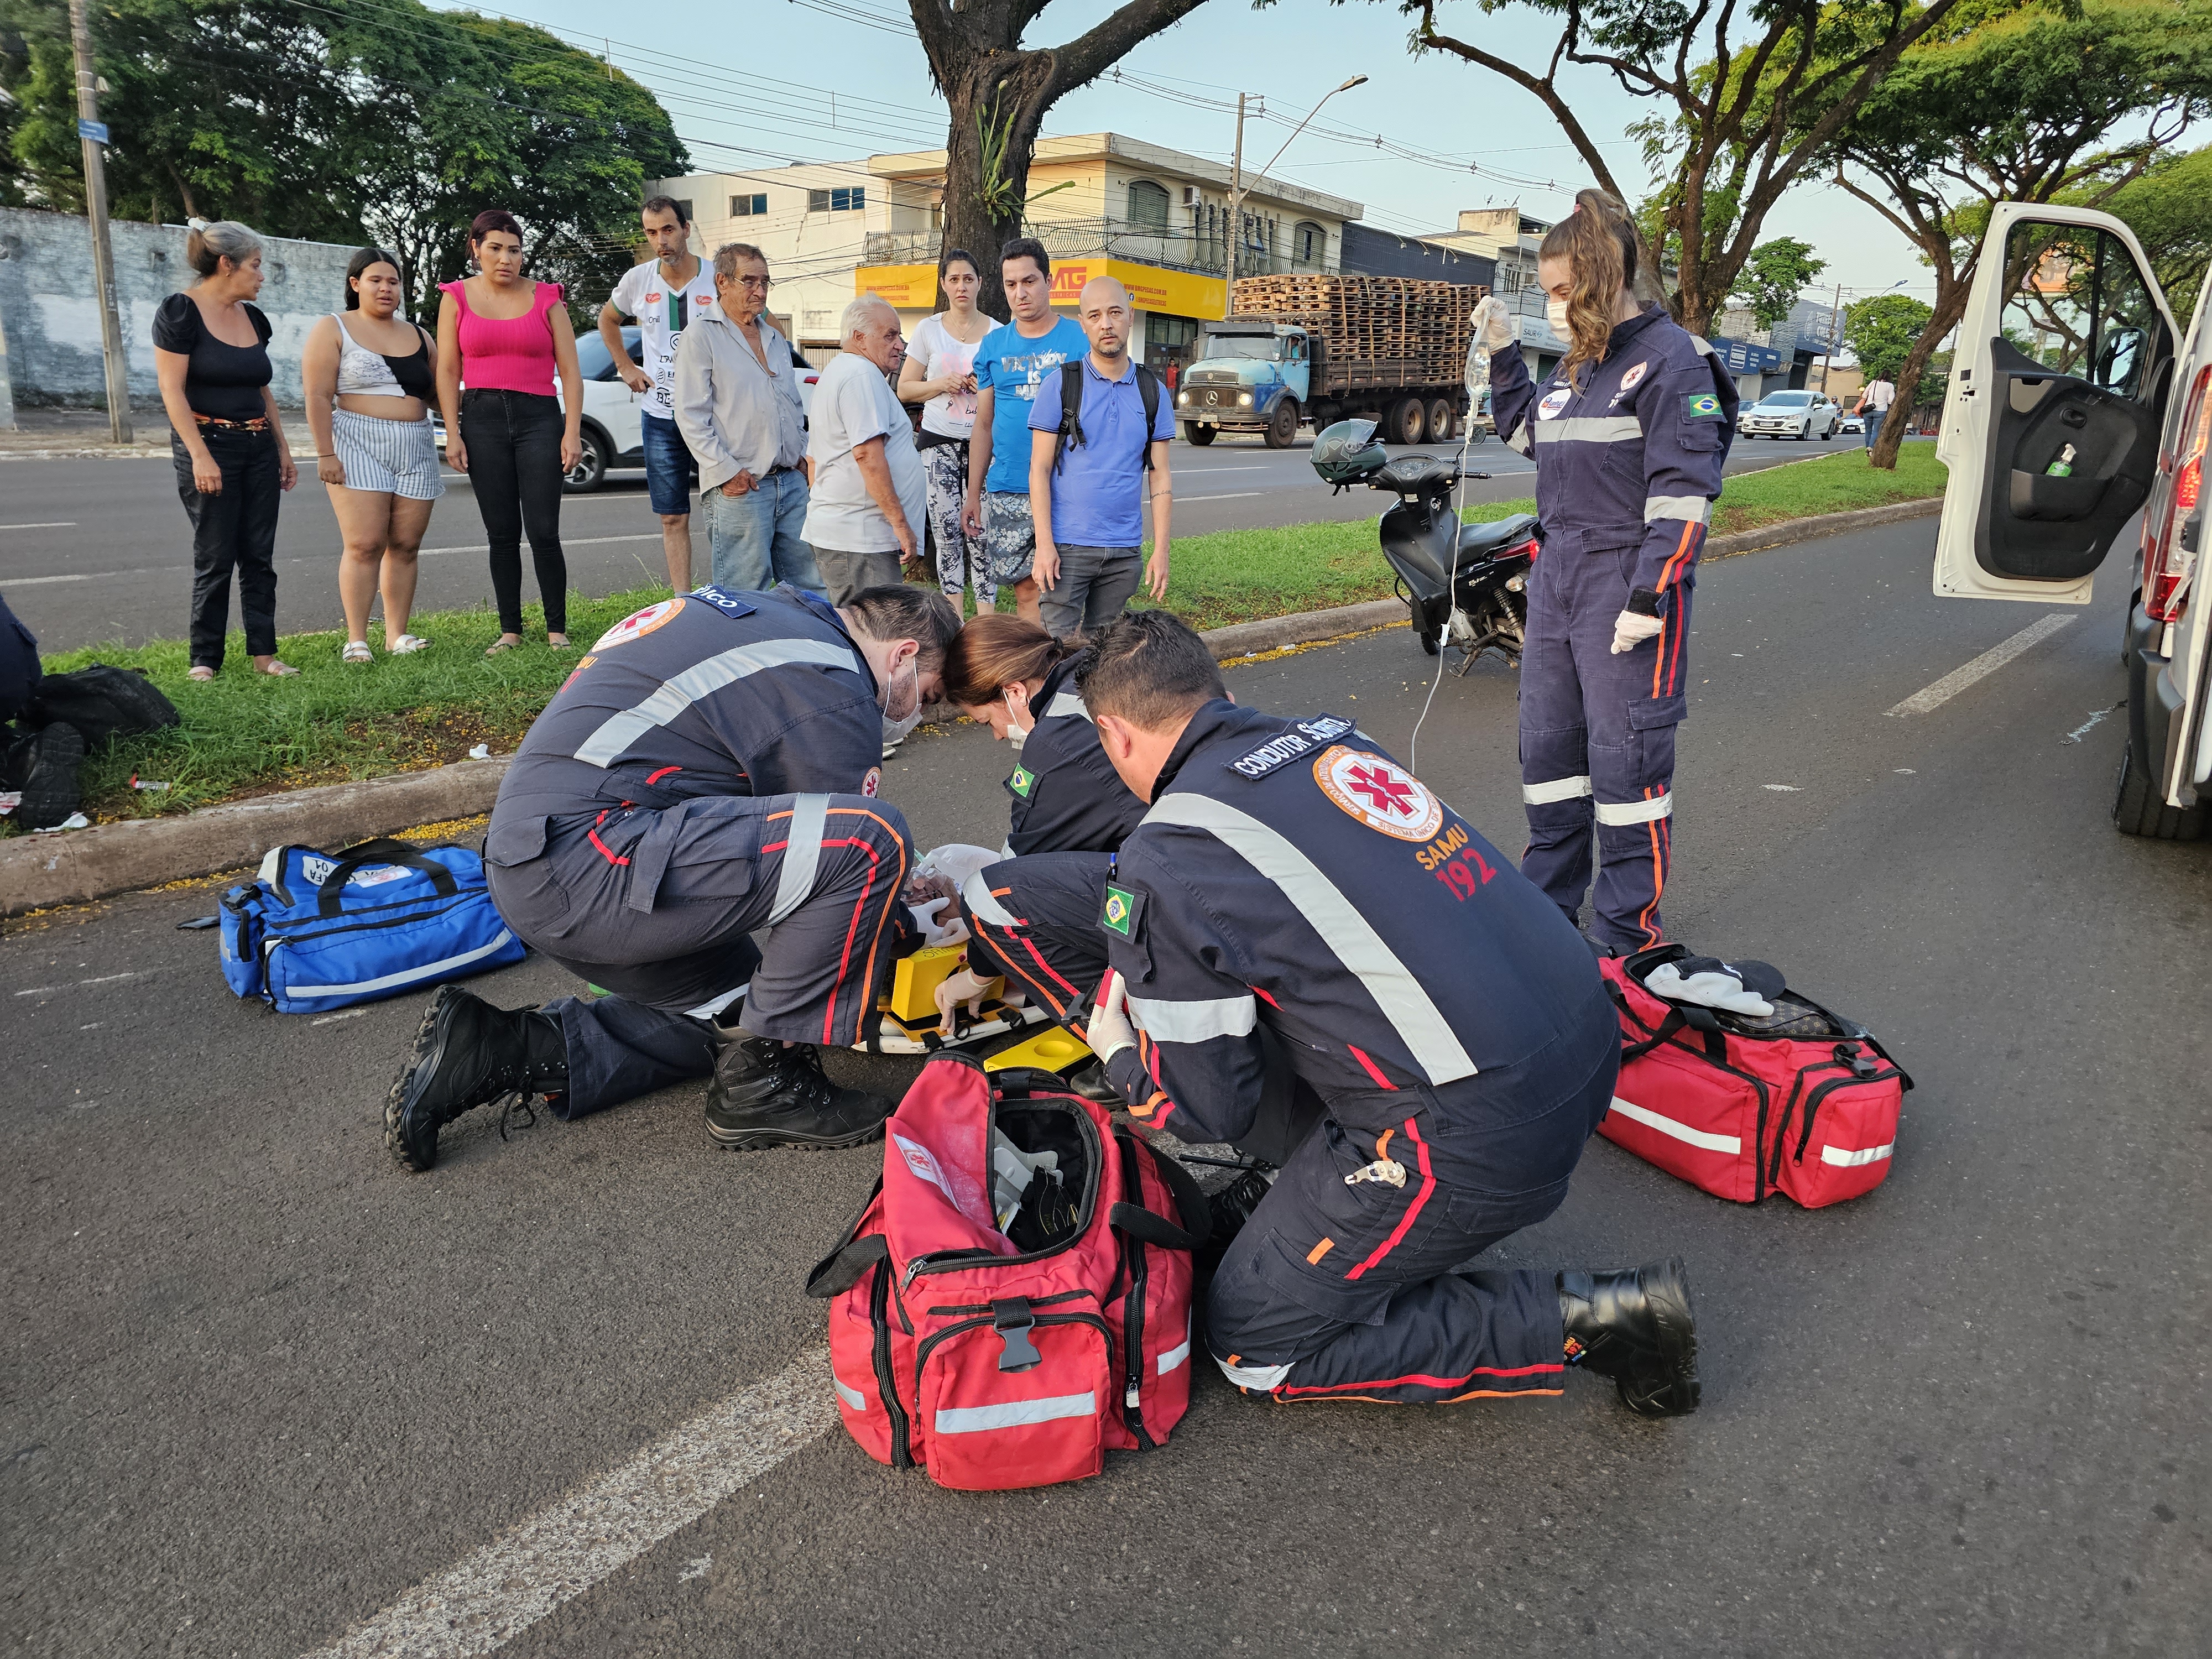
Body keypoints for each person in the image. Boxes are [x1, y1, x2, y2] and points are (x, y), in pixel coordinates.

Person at [1072, 608, 1701, 1416]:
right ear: (1210, 688)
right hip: (1585, 1044)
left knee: (1252, 1339)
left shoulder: (1166, 853)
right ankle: (1349, 1220)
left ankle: (1604, 1321)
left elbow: (1207, 1106)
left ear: (1114, 734)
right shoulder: (1332, 741)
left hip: (1480, 1133)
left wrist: (1120, 1050)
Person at [382, 582, 963, 1173]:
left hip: (540, 865)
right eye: (927, 694)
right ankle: (764, 1090)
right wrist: (916, 928)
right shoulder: (831, 681)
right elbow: (846, 860)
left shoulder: (777, 615)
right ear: (903, 655)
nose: (914, 713)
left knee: (742, 1023)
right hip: (595, 861)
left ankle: (495, 1048)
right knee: (872, 840)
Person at [1485, 188, 1736, 952]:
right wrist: (1501, 354)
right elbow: (1531, 437)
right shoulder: (1576, 368)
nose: (1555, 306)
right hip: (1558, 574)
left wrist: (1649, 597)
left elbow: (1684, 498)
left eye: (1564, 291)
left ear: (1602, 278)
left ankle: (1628, 937)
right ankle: (1548, 917)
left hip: (1626, 580)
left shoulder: (1674, 363)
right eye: (1548, 293)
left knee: (1626, 763)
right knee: (1550, 753)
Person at [932, 614, 1150, 1031]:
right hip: (1220, 847)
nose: (996, 735)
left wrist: (980, 965)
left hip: (1186, 894)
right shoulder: (1099, 670)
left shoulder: (1056, 745)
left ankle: (1129, 1041)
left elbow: (1012, 876)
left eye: (986, 721)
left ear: (1014, 691)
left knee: (990, 895)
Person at [152, 218, 299, 681]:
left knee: (259, 555)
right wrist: (199, 455)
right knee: (215, 555)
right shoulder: (180, 312)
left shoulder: (254, 319)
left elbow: (263, 390)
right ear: (225, 264)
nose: (262, 275)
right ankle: (205, 660)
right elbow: (171, 390)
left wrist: (283, 449)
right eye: (256, 265)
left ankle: (264, 655)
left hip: (258, 444)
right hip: (208, 443)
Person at [436, 209, 583, 656]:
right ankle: (510, 630)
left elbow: (571, 374)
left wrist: (571, 431)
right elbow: (446, 370)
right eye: (496, 248)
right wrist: (454, 432)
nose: (506, 259)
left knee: (543, 530)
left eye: (514, 250)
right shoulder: (455, 297)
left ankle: (557, 630)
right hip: (480, 418)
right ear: (476, 248)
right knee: (500, 532)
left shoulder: (547, 298)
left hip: (539, 417)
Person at [300, 247, 442, 664]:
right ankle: (357, 639)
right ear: (355, 284)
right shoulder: (334, 328)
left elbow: (438, 394)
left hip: (416, 440)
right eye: (376, 280)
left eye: (393, 281)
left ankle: (396, 635)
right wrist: (325, 453)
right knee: (364, 543)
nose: (386, 288)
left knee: (405, 544)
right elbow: (318, 395)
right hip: (356, 440)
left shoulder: (419, 335)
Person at [1025, 275, 1174, 639]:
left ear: (1130, 316)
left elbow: (1160, 477)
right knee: (1055, 652)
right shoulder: (1060, 385)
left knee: (1105, 657)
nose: (1106, 324)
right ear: (1084, 324)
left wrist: (1161, 550)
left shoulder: (1152, 391)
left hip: (1124, 552)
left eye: (1114, 313)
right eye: (1095, 316)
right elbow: (1039, 470)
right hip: (1068, 546)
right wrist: (1044, 545)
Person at [671, 243, 817, 594]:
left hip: (790, 482)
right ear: (722, 282)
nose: (760, 290)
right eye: (749, 281)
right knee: (744, 593)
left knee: (811, 588)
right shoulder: (701, 336)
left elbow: (792, 404)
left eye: (766, 281)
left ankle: (806, 650)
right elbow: (690, 415)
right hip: (741, 485)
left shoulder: (774, 338)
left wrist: (800, 454)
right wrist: (727, 472)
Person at [962, 239, 1090, 627]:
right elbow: (984, 424)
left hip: (1068, 487)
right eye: (1011, 284)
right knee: (1026, 590)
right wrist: (973, 493)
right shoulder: (993, 346)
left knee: (1067, 590)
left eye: (1030, 281)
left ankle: (1066, 668)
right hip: (1010, 487)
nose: (1020, 293)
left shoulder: (1081, 341)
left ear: (1050, 281)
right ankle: (1038, 680)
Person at [601, 196, 718, 591]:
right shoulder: (638, 279)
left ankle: (727, 593)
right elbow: (608, 319)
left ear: (686, 228)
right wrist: (625, 365)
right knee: (672, 516)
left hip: (713, 416)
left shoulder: (718, 277)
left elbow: (765, 325)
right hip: (660, 415)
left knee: (727, 511)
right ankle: (683, 600)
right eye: (652, 233)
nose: (661, 240)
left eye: (668, 229)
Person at [805, 295, 925, 605]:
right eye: (890, 335)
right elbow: (868, 456)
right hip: (860, 539)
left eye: (899, 335)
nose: (900, 344)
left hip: (851, 534)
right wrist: (901, 526)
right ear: (859, 337)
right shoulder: (861, 375)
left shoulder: (841, 371)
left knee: (867, 631)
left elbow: (814, 461)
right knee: (874, 635)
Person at [897, 248, 993, 611]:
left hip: (984, 444)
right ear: (944, 285)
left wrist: (982, 385)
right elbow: (905, 388)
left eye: (968, 279)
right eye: (954, 279)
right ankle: (954, 621)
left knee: (982, 536)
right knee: (947, 535)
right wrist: (940, 383)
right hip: (938, 442)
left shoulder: (998, 333)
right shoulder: (929, 329)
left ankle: (986, 621)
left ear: (980, 283)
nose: (962, 286)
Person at [1858, 374, 1896, 451]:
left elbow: (1864, 395)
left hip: (1868, 409)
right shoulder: (1890, 386)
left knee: (1868, 431)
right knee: (1876, 431)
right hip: (1881, 410)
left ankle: (1867, 448)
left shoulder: (1874, 383)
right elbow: (1891, 400)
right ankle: (1871, 447)